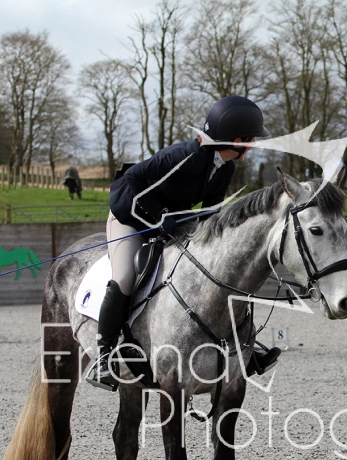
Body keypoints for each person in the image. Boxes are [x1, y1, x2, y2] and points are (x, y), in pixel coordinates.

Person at [85, 95, 281, 390]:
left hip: (171, 223)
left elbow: (210, 212)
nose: (254, 145)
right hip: (130, 216)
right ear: (236, 140)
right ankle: (103, 355)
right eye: (251, 139)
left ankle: (243, 347)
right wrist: (158, 215)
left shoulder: (225, 167)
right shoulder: (184, 156)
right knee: (124, 276)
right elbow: (132, 180)